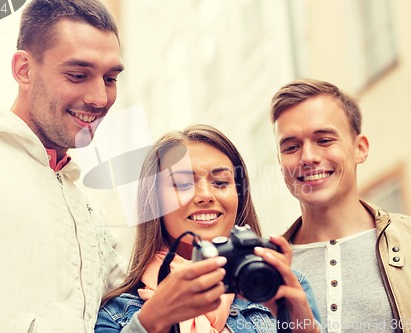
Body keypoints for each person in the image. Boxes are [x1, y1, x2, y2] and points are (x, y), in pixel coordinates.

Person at [0, 0, 127, 332]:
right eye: (77, 75)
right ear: (24, 70)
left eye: (111, 78)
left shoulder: (90, 211)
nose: (100, 98)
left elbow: (143, 303)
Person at [95, 124, 321, 333]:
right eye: (183, 184)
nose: (205, 195)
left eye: (221, 183)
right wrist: (152, 321)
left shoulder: (282, 286)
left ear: (239, 196)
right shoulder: (116, 315)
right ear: (154, 202)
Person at [269, 78, 411, 333]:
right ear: (280, 160)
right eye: (292, 147)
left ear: (360, 148)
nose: (308, 157)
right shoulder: (264, 271)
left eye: (324, 140)